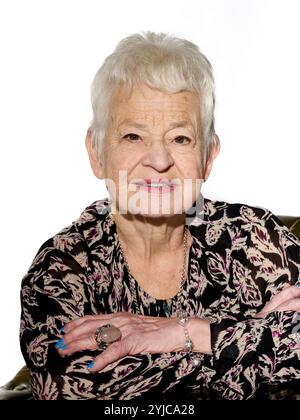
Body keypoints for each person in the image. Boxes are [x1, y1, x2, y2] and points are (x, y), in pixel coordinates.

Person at [20, 31, 300, 400]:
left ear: (209, 155)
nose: (159, 160)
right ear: (96, 151)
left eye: (180, 139)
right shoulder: (64, 267)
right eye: (133, 136)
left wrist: (186, 332)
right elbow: (71, 389)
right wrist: (250, 338)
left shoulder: (251, 238)